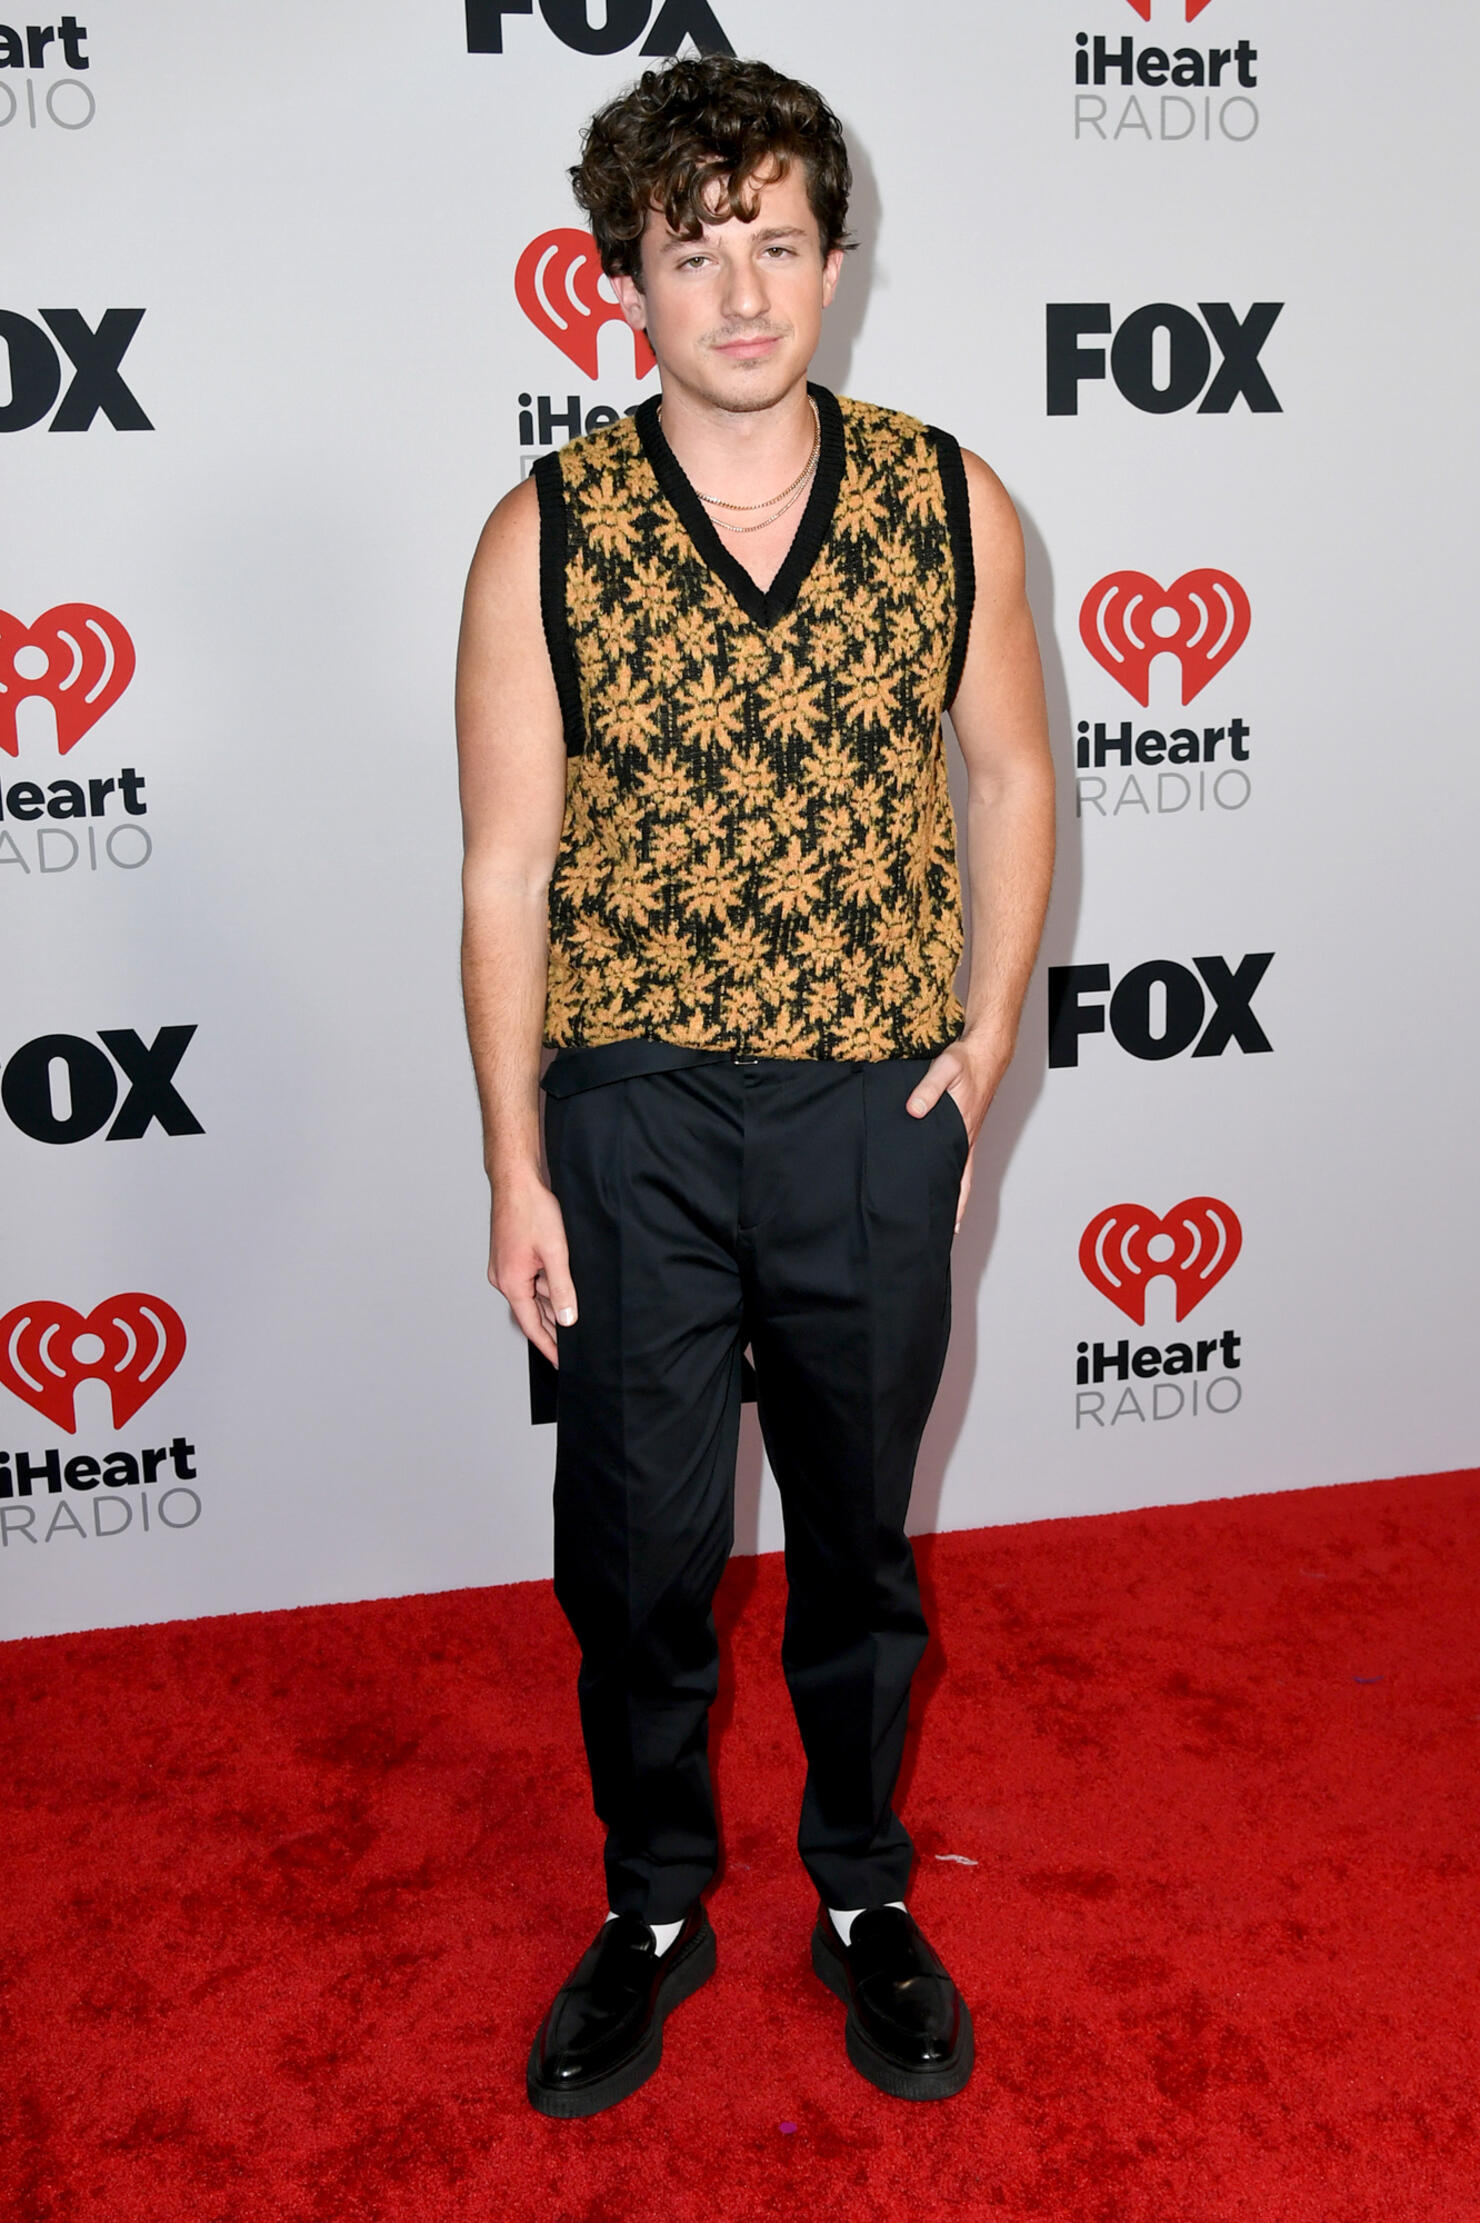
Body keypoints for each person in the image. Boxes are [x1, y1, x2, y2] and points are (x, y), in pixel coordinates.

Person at [456, 55, 1054, 2117]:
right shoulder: (547, 528)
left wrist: (981, 1047)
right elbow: (504, 867)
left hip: (865, 1112)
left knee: (859, 1556)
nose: (739, 291)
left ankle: (863, 1890)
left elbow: (1005, 772)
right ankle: (650, 1903)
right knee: (630, 1552)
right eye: (693, 250)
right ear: (621, 273)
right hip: (627, 1113)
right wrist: (515, 1162)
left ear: (830, 261)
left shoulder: (941, 499)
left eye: (775, 244)